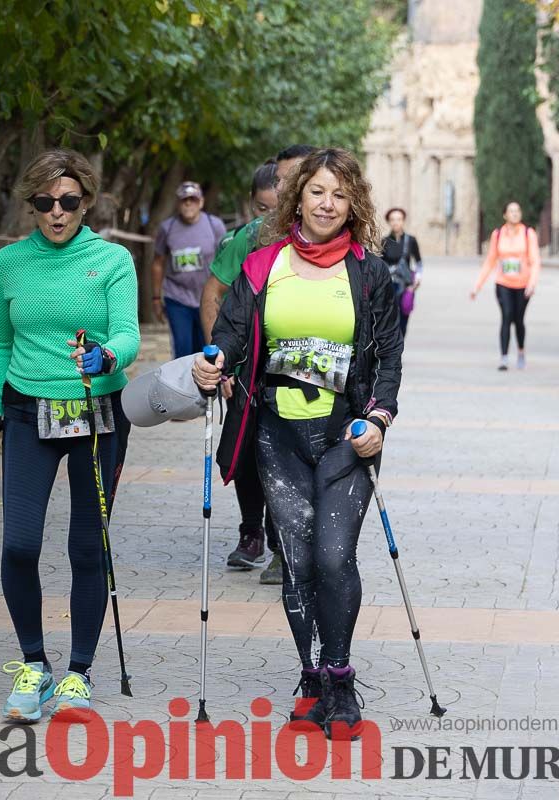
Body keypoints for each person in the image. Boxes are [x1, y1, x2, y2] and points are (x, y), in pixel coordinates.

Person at [193, 148, 403, 738]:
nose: (327, 204)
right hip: (277, 434)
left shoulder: (368, 272)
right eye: (316, 192)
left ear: (352, 202)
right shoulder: (263, 266)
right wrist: (213, 362)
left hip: (347, 436)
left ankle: (341, 676)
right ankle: (311, 676)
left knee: (334, 557)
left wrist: (380, 418)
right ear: (298, 198)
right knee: (298, 564)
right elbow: (229, 334)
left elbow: (389, 355)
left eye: (338, 194)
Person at [0, 148, 140, 723]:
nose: (57, 212)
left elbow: (128, 334)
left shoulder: (113, 260)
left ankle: (79, 672)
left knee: (86, 546)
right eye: (45, 202)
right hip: (26, 412)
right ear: (32, 206)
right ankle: (34, 666)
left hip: (95, 411)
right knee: (19, 545)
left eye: (69, 201)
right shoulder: (10, 264)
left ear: (86, 202)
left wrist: (106, 356)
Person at [203, 144, 317, 583]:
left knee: (291, 456)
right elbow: (213, 294)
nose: (283, 189)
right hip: (249, 372)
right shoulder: (251, 237)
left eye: (292, 181)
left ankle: (283, 545)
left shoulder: (335, 241)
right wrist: (223, 360)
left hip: (304, 376)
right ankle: (254, 532)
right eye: (280, 181)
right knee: (246, 453)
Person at [152, 182, 226, 358]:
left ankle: (208, 386)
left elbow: (226, 260)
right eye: (184, 200)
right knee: (183, 350)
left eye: (192, 199)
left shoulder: (214, 225)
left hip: (207, 298)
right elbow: (158, 262)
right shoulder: (167, 228)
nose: (188, 204)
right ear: (178, 203)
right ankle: (183, 385)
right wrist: (156, 298)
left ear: (201, 202)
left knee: (208, 348)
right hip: (177, 298)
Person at [470, 201, 540, 370]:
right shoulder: (498, 234)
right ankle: (504, 357)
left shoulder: (528, 233)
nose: (515, 214)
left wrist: (532, 283)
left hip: (523, 284)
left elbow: (535, 261)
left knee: (519, 320)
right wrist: (476, 286)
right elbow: (490, 261)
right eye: (511, 211)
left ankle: (521, 352)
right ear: (505, 215)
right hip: (503, 283)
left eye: (517, 211)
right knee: (507, 316)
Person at [381, 208, 423, 337]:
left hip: (406, 285)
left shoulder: (411, 240)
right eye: (392, 219)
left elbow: (418, 262)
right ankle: (391, 351)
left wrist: (417, 280)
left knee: (403, 320)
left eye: (399, 219)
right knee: (388, 321)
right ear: (389, 222)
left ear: (403, 221)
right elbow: (380, 265)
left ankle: (399, 348)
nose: (396, 222)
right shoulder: (384, 241)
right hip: (388, 286)